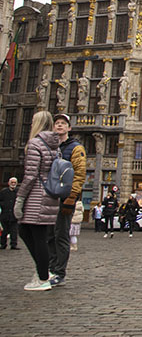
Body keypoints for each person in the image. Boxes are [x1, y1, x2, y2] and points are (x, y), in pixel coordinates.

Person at [14, 111, 61, 291]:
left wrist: (20, 198)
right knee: (27, 231)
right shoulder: (54, 146)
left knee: (37, 236)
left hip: (36, 196)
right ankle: (45, 271)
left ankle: (43, 278)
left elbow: (31, 175)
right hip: (50, 195)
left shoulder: (35, 144)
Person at [46, 113, 86, 287]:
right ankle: (49, 268)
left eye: (63, 123)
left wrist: (71, 198)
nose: (59, 126)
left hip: (64, 198)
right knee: (48, 236)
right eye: (57, 123)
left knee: (61, 235)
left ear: (69, 128)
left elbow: (79, 175)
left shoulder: (76, 148)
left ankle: (59, 272)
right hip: (48, 198)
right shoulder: (48, 147)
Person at [0, 177, 20, 249]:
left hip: (14, 215)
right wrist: (4, 205)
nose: (13, 184)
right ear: (9, 183)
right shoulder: (3, 192)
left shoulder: (18, 192)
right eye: (12, 182)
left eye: (15, 182)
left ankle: (13, 244)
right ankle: (3, 244)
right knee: (4, 231)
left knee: (14, 231)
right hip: (5, 214)